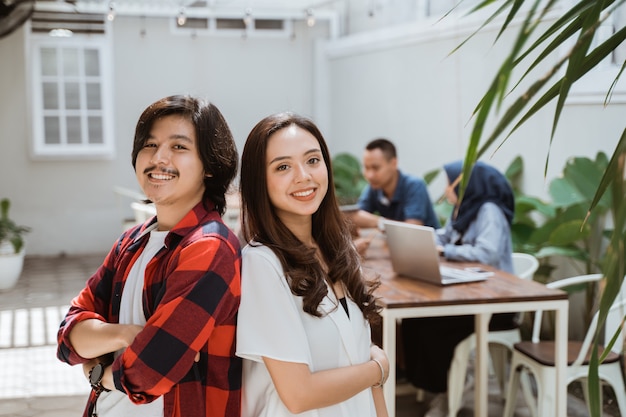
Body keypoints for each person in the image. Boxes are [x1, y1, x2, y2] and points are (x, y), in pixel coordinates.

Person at [56, 95, 242, 417]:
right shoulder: (131, 241)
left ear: (210, 166)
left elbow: (151, 370)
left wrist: (97, 371)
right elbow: (67, 337)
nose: (159, 158)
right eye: (150, 145)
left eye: (179, 147)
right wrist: (127, 334)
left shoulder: (210, 247)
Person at [236, 112, 390, 417]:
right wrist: (378, 368)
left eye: (312, 160)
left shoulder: (336, 248)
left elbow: (361, 366)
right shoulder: (261, 263)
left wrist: (375, 374)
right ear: (259, 182)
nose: (304, 176)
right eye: (283, 167)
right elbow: (298, 395)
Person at [402, 160, 517, 417]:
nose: (446, 189)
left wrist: (446, 250)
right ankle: (433, 388)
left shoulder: (489, 211)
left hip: (495, 304)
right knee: (413, 321)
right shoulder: (464, 210)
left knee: (433, 327)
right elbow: (447, 235)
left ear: (466, 184)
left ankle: (444, 396)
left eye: (450, 183)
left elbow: (487, 253)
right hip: (468, 295)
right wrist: (423, 239)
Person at [349, 138, 440, 233]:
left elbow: (412, 231)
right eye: (366, 168)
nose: (370, 175)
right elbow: (357, 217)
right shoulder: (374, 187)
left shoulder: (414, 186)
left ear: (393, 163)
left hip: (429, 246)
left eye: (375, 168)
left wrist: (379, 222)